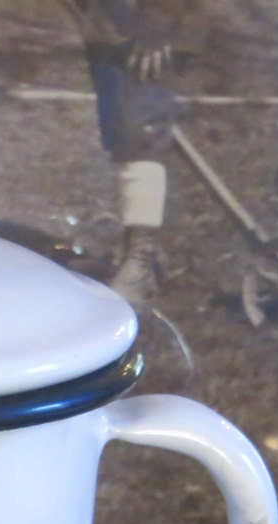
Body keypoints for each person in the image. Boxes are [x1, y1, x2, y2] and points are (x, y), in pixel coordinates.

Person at [61, 0, 203, 303]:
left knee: (140, 134)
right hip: (111, 23)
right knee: (120, 134)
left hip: (154, 29)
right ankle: (131, 254)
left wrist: (158, 22)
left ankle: (140, 260)